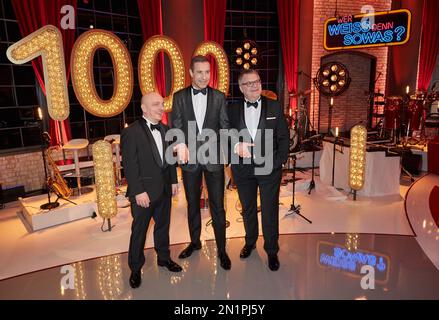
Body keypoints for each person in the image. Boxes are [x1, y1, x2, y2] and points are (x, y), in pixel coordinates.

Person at [171, 55, 232, 270]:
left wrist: (229, 159)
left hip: (214, 159)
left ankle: (222, 250)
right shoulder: (179, 97)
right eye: (199, 72)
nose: (204, 76)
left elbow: (224, 127)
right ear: (190, 73)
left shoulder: (218, 96)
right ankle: (195, 242)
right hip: (190, 162)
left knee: (218, 205)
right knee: (192, 204)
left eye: (207, 72)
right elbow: (175, 126)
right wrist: (180, 144)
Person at [227, 69, 289, 271]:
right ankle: (250, 241)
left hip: (269, 168)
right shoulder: (232, 110)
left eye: (257, 81)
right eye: (249, 83)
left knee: (270, 209)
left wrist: (279, 162)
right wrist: (236, 148)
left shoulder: (274, 106)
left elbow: (283, 137)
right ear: (241, 88)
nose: (254, 86)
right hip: (242, 169)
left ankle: (272, 250)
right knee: (248, 208)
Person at [121, 92, 182, 289]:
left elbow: (170, 158)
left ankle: (164, 258)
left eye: (162, 104)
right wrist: (138, 191)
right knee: (139, 232)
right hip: (143, 193)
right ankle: (135, 268)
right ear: (144, 108)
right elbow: (130, 165)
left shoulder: (165, 129)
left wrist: (173, 180)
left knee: (163, 227)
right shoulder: (131, 132)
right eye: (155, 104)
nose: (160, 107)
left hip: (164, 189)